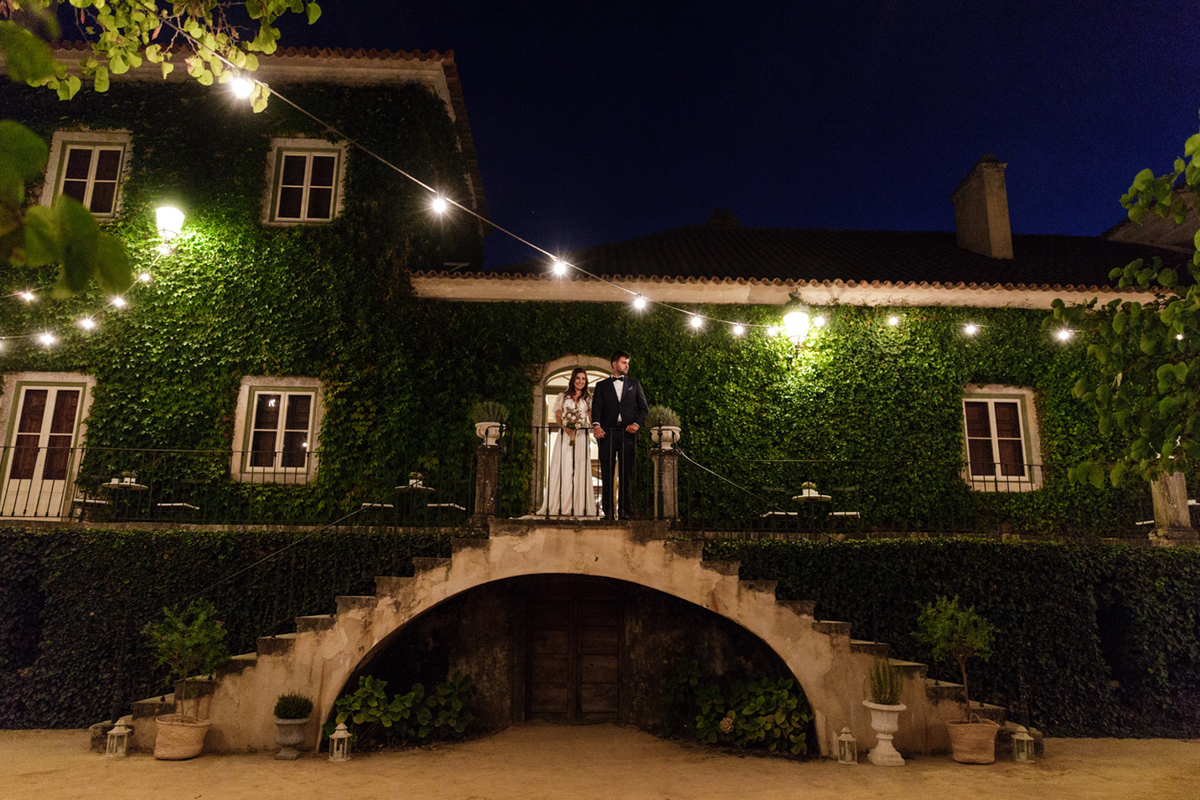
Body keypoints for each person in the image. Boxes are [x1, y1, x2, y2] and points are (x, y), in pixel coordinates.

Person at [591, 350, 648, 520]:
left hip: (627, 435)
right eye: (624, 362)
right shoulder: (601, 386)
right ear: (614, 364)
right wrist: (596, 426)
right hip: (606, 434)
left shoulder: (635, 384)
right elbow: (596, 409)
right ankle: (607, 512)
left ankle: (624, 511)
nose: (627, 366)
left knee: (626, 474)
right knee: (606, 473)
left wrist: (636, 424)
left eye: (628, 363)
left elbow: (644, 409)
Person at [536, 367, 598, 517]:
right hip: (565, 436)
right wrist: (564, 427)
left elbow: (591, 417)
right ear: (573, 379)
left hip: (581, 437)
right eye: (578, 378)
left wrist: (591, 425)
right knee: (564, 467)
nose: (580, 382)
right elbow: (558, 415)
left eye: (583, 379)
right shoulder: (562, 396)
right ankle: (560, 505)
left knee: (580, 468)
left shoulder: (588, 399)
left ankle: (580, 506)